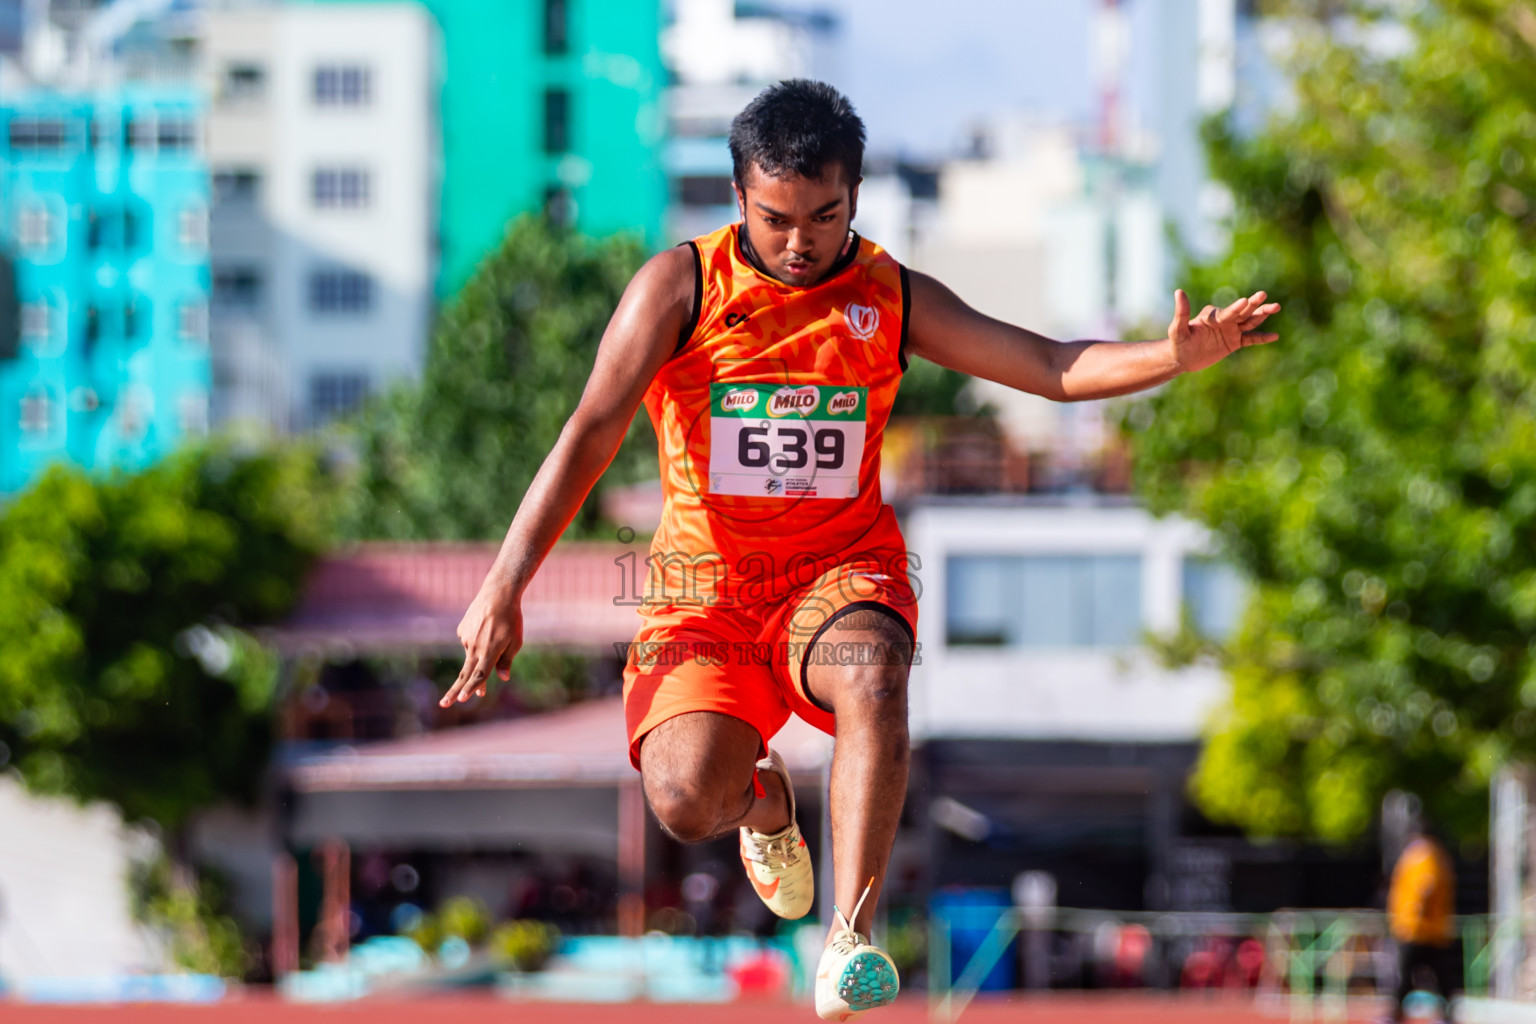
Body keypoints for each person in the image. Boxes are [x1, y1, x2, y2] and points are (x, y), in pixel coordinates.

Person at [442, 79, 1280, 1020]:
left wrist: (1174, 357)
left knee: (876, 672)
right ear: (737, 200)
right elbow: (589, 433)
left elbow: (1047, 366)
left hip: (838, 575)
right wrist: (504, 584)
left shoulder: (889, 293)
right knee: (682, 799)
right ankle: (765, 805)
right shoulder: (677, 289)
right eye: (776, 219)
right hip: (706, 596)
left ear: (856, 197)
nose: (800, 241)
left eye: (825, 216)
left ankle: (850, 936)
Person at [1387, 819, 1455, 1021]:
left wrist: (1416, 913)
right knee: (1438, 975)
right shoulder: (1435, 854)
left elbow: (1425, 885)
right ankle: (1448, 1014)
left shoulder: (1423, 854)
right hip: (1429, 928)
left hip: (1419, 929)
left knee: (1408, 974)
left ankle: (1395, 1015)